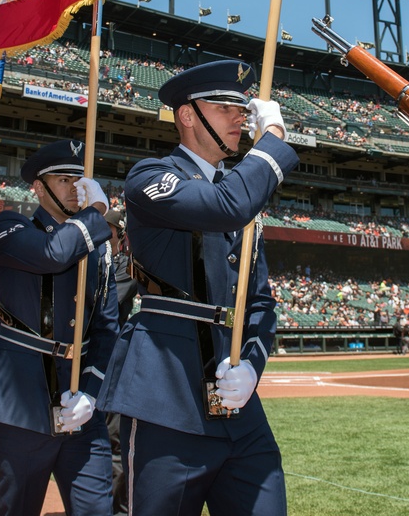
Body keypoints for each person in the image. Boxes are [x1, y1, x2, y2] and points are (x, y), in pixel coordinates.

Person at [98, 59, 299, 516]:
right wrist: (272, 143)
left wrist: (252, 366)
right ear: (187, 115)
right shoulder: (150, 177)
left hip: (237, 405)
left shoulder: (239, 190)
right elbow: (225, 206)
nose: (240, 117)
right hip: (167, 397)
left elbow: (260, 301)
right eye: (226, 106)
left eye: (243, 108)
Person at [0, 139, 118, 516]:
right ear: (38, 187)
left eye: (79, 179)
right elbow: (52, 254)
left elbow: (105, 328)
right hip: (20, 406)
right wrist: (97, 211)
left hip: (82, 413)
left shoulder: (97, 248)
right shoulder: (10, 226)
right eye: (63, 179)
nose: (75, 188)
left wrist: (90, 392)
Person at [103, 207, 134, 516]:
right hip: (79, 366)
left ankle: (118, 511)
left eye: (107, 230)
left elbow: (106, 306)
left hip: (111, 367)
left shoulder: (124, 266)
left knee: (115, 444)